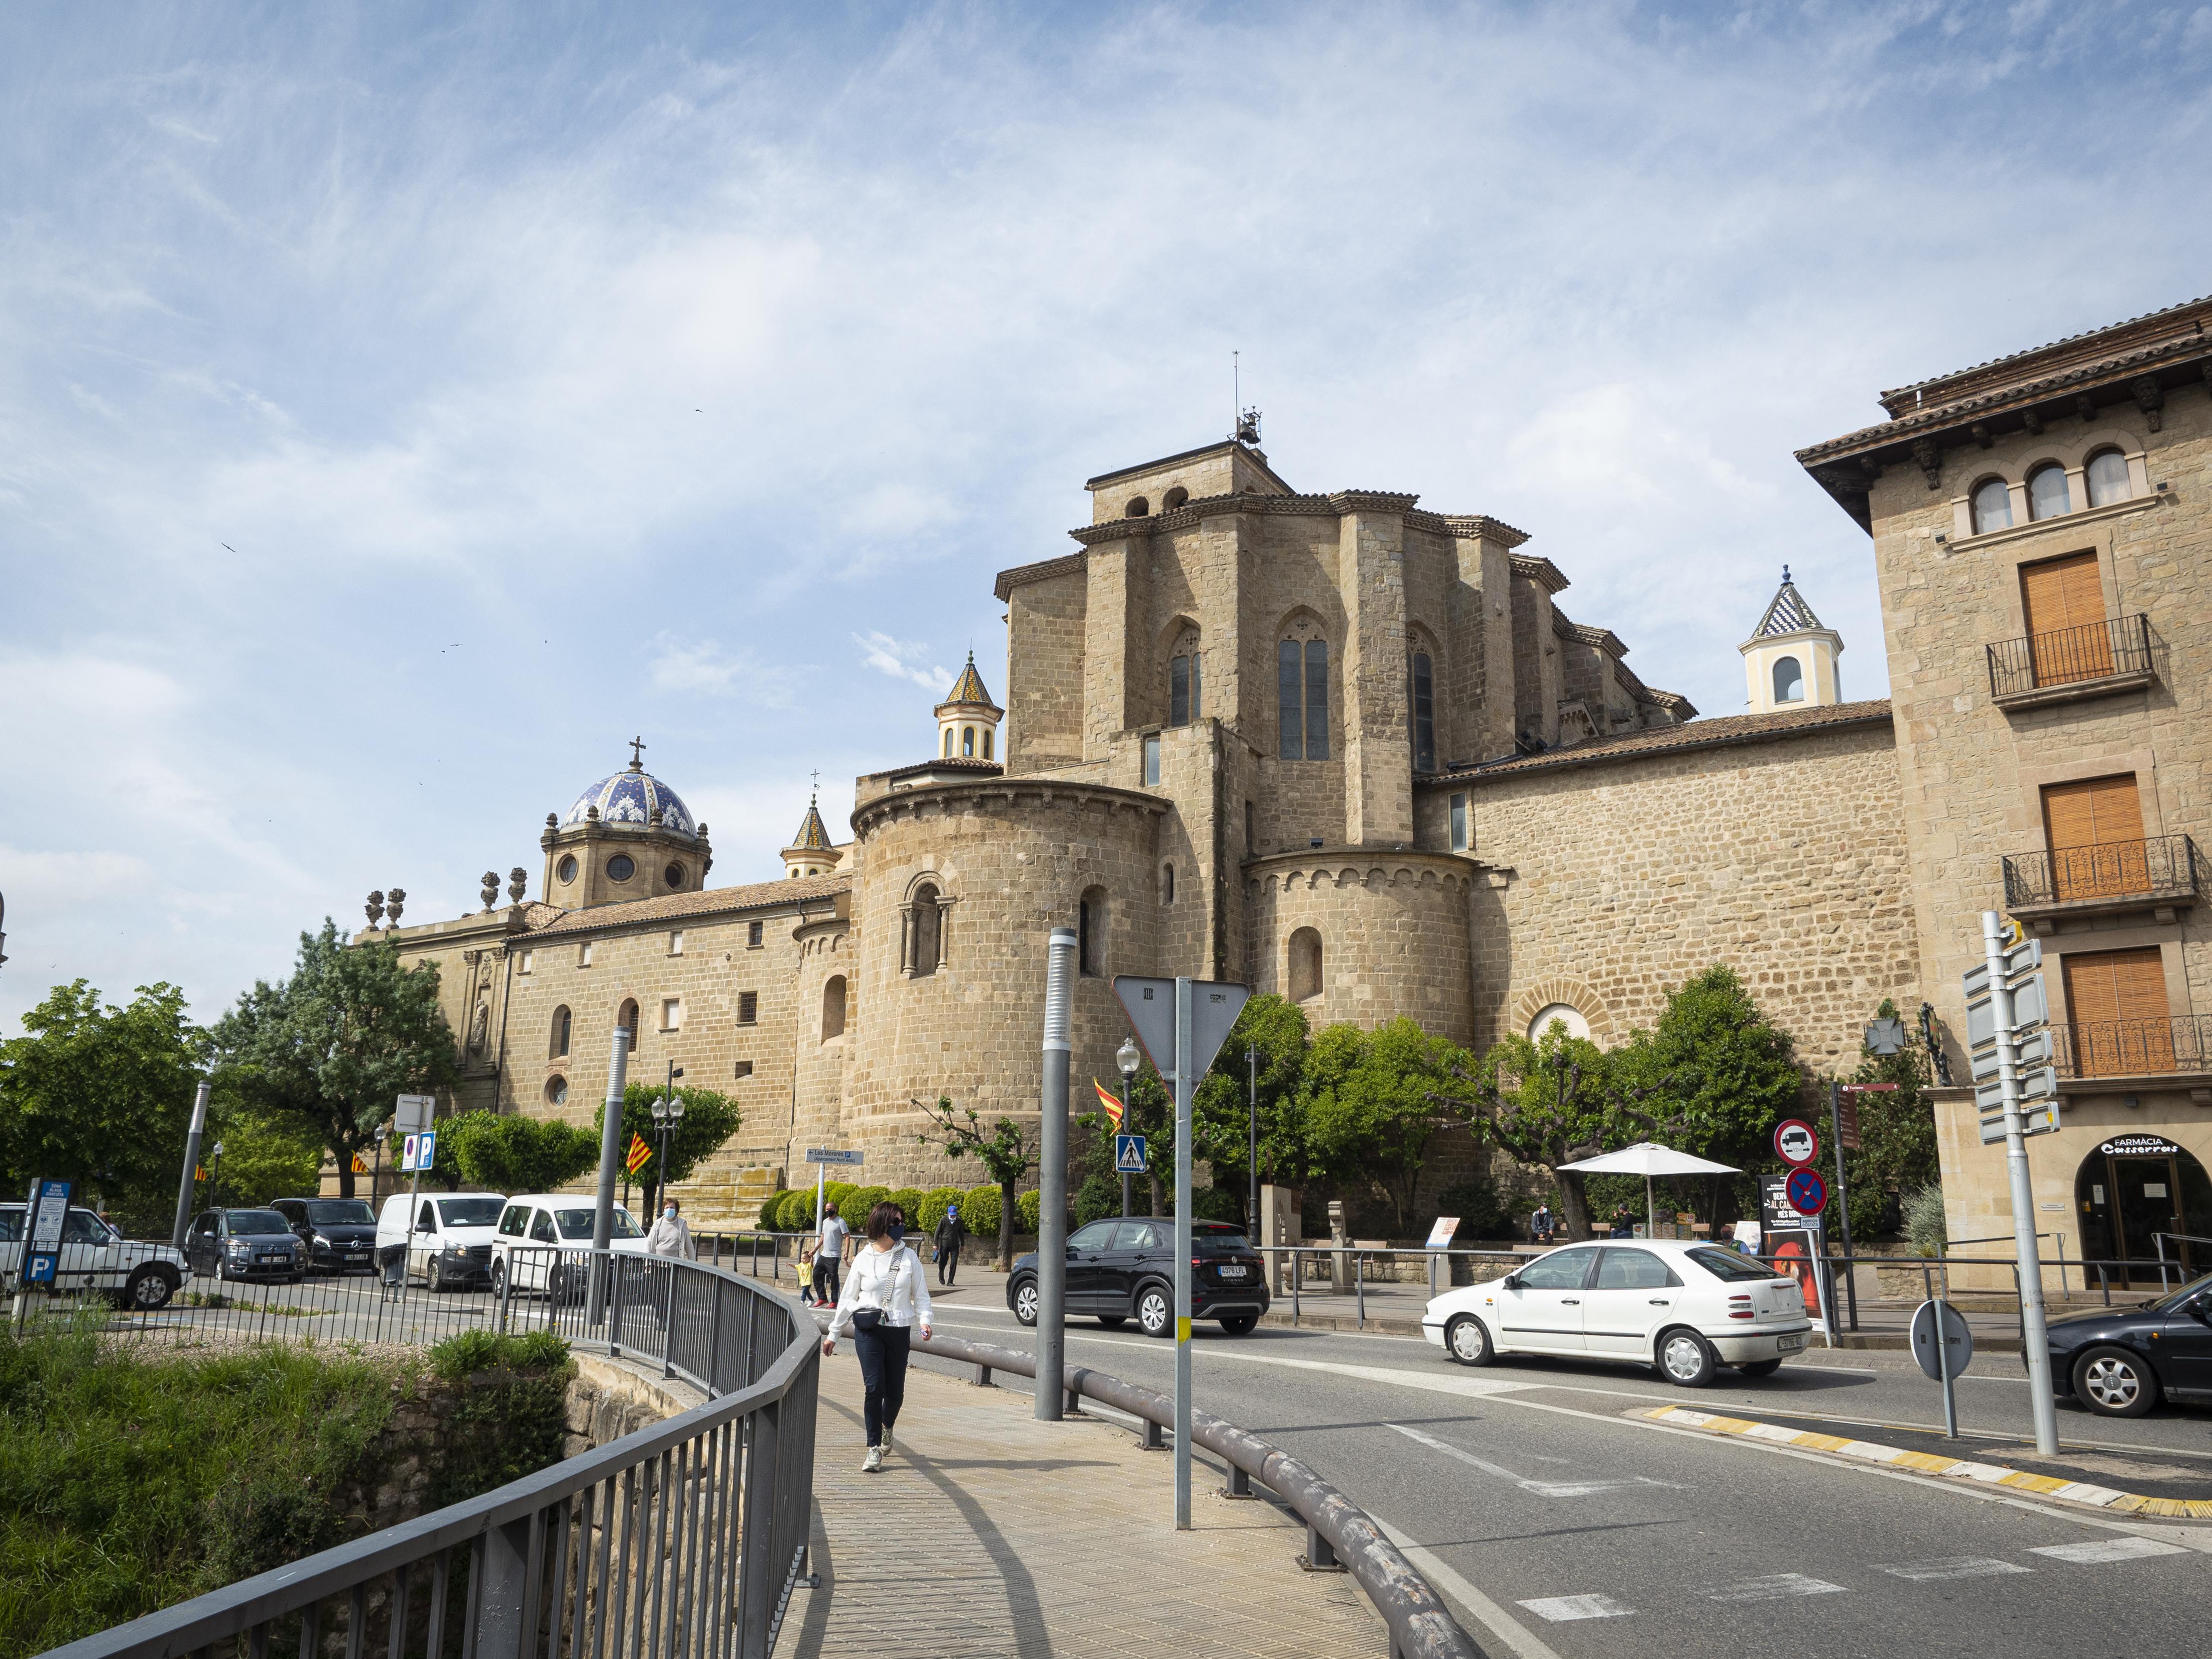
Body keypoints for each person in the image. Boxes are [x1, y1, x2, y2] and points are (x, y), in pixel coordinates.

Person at [823, 1203, 932, 1472]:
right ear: (882, 1224)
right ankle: (873, 1449)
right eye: (895, 1222)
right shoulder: (863, 1258)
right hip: (868, 1329)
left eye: (901, 1221)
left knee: (895, 1393)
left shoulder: (909, 1258)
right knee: (874, 1387)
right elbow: (848, 1298)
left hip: (898, 1330)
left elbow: (921, 1295)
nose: (900, 1226)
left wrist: (925, 1321)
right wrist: (833, 1334)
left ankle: (887, 1427)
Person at [807, 1200, 847, 1308]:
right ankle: (822, 1298)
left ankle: (835, 1301)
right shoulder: (825, 1222)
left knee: (833, 1278)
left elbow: (847, 1236)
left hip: (834, 1256)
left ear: (836, 1209)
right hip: (824, 1255)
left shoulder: (841, 1222)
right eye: (827, 1209)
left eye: (831, 1209)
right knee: (816, 1274)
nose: (829, 1211)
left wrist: (846, 1251)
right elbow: (823, 1237)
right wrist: (815, 1249)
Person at [647, 1196, 695, 1260]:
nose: (669, 1210)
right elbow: (649, 1243)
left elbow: (689, 1247)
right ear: (664, 1210)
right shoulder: (657, 1224)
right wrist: (647, 1262)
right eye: (667, 1208)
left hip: (675, 1264)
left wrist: (693, 1264)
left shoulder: (682, 1224)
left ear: (676, 1211)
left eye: (672, 1208)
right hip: (658, 1264)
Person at [932, 1201, 965, 1287]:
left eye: (954, 1215)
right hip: (945, 1244)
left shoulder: (959, 1221)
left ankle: (950, 1281)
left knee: (954, 1263)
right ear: (948, 1213)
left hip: (955, 1245)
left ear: (956, 1214)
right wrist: (935, 1244)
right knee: (943, 1261)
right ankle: (941, 1273)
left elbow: (962, 1233)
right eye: (951, 1215)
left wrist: (963, 1245)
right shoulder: (943, 1220)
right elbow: (937, 1232)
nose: (953, 1216)